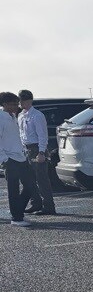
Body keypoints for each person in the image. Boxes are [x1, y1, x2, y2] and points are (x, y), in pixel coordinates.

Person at [0, 91, 36, 227]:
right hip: (9, 159)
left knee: (31, 185)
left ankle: (18, 212)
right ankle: (16, 217)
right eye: (13, 104)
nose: (16, 106)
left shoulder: (13, 116)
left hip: (21, 157)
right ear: (4, 104)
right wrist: (4, 159)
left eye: (17, 103)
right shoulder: (1, 118)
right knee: (13, 190)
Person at [18, 89, 55, 215]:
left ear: (30, 100)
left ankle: (49, 206)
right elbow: (21, 134)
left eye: (24, 100)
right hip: (26, 149)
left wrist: (42, 152)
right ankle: (36, 203)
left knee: (42, 179)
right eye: (21, 100)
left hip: (36, 148)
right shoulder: (21, 115)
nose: (22, 103)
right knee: (29, 179)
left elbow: (42, 135)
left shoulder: (37, 115)